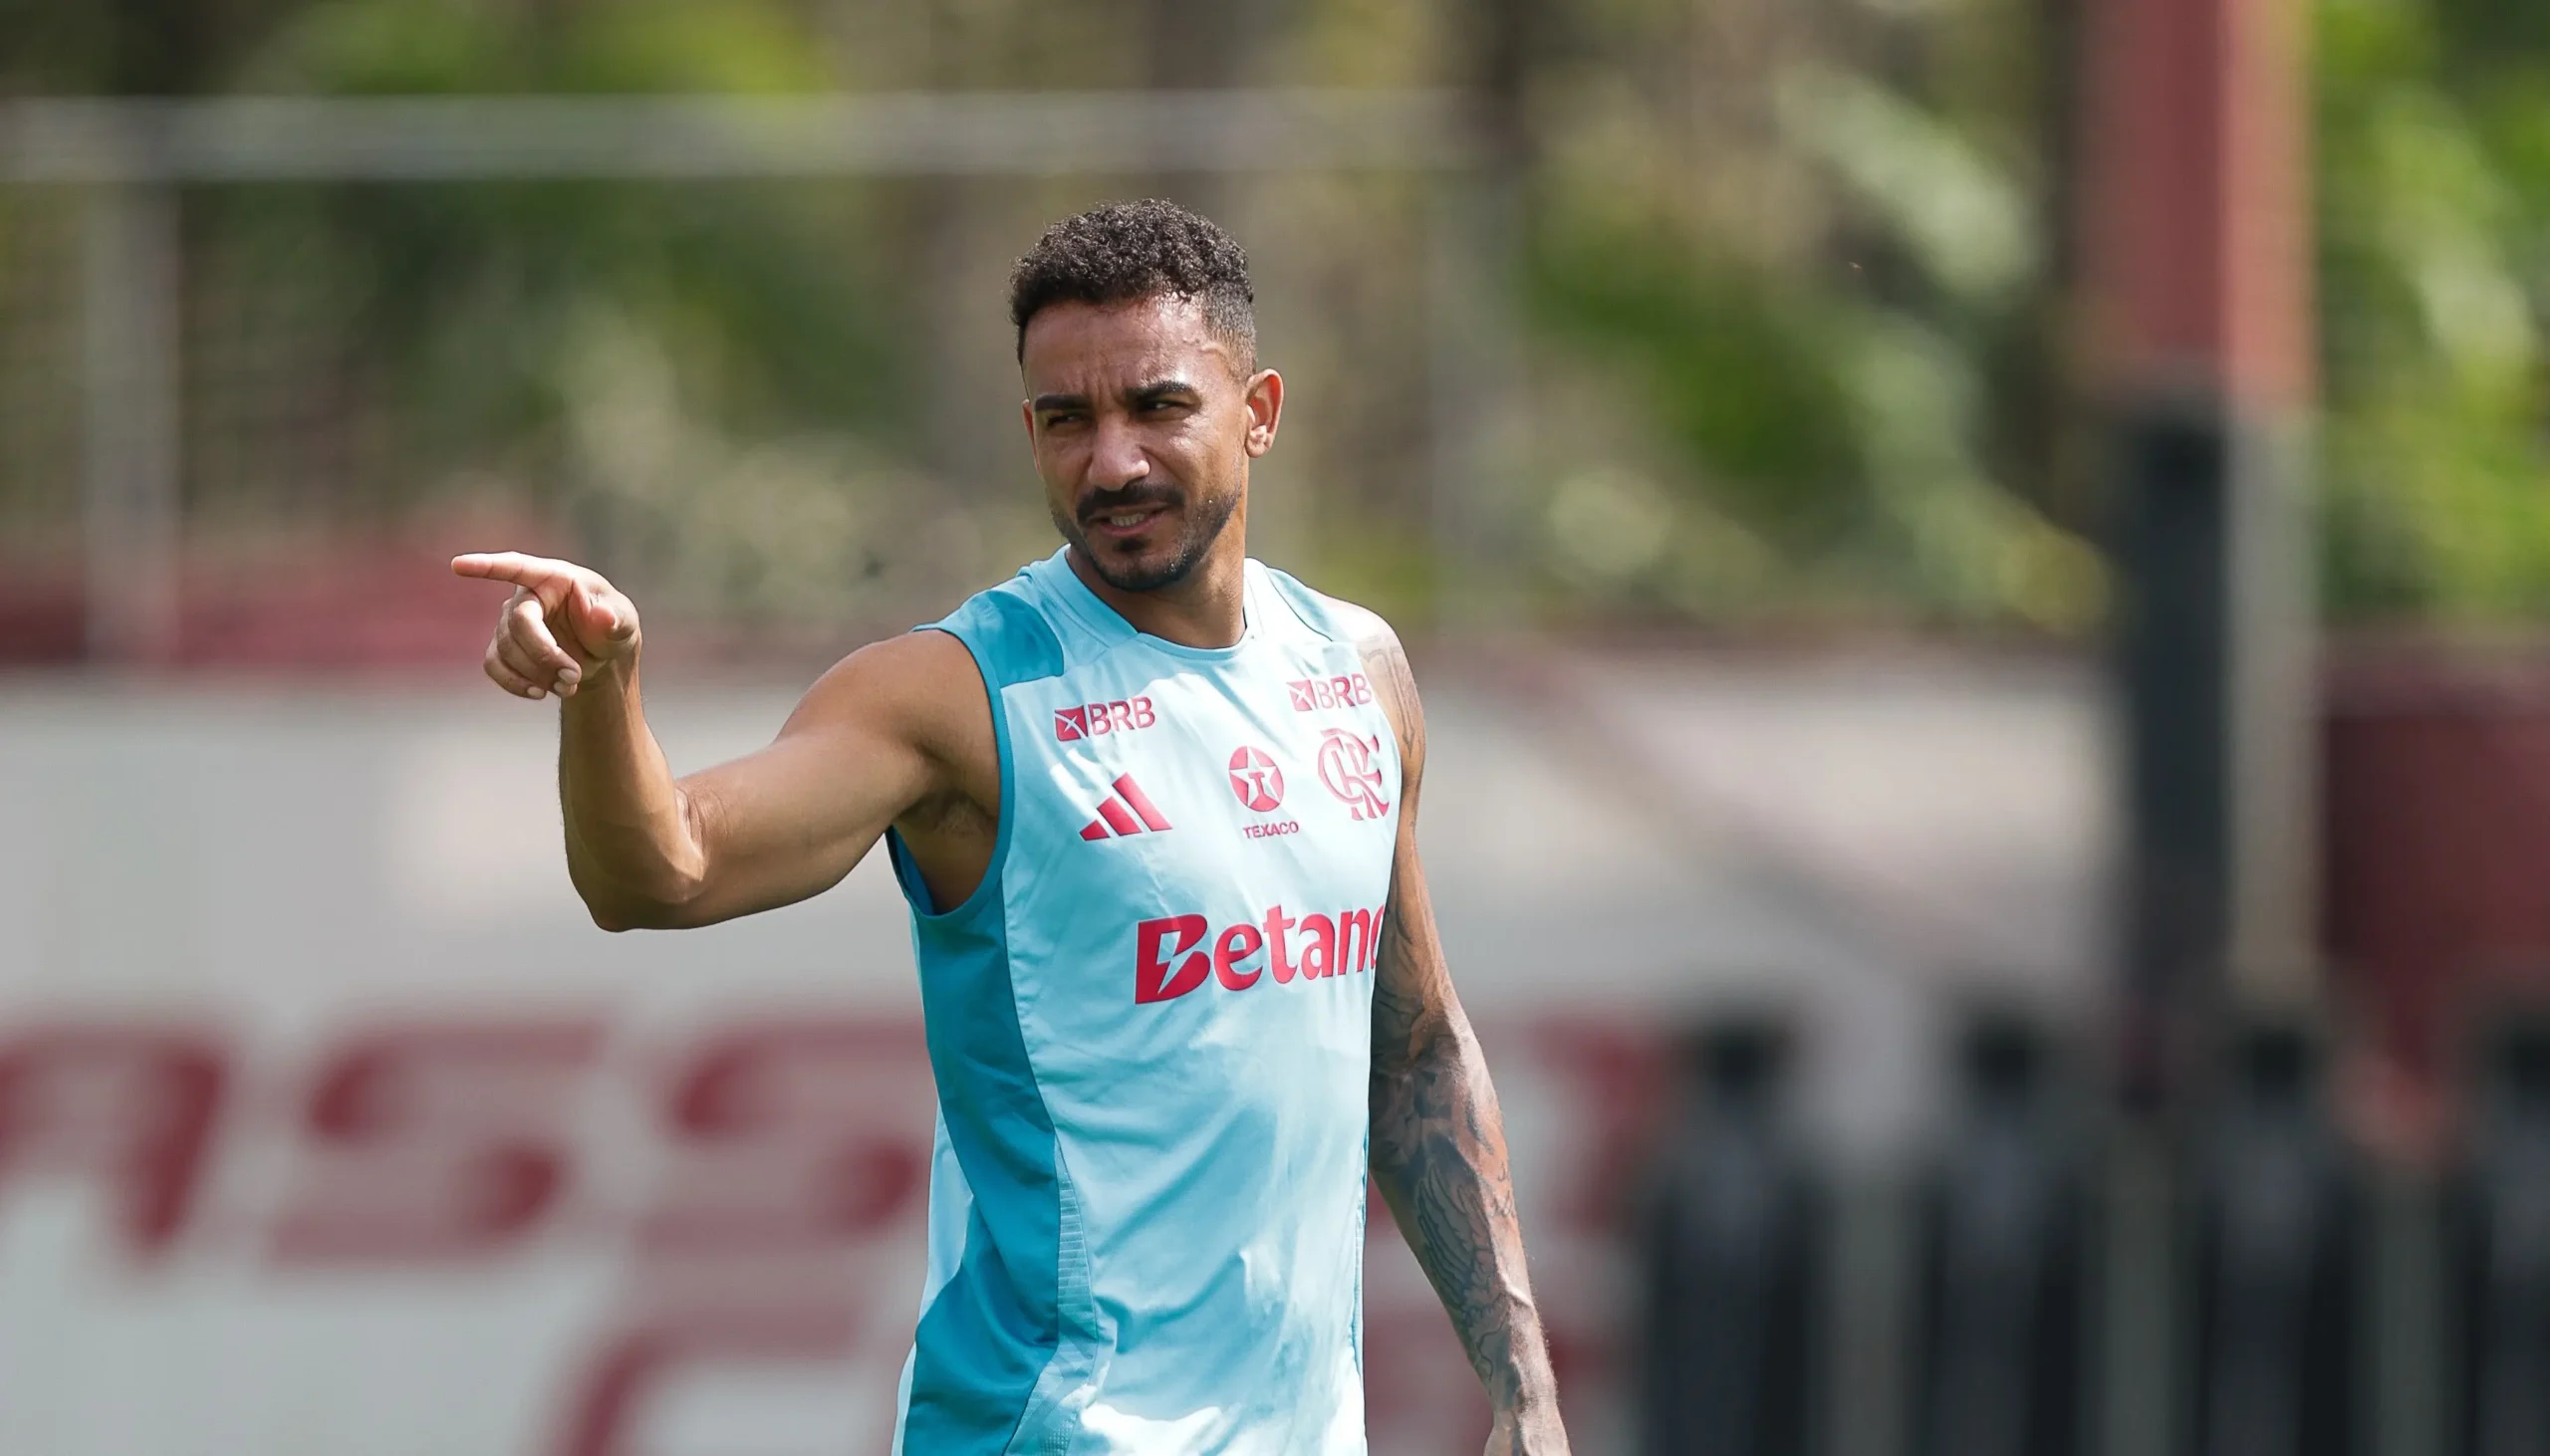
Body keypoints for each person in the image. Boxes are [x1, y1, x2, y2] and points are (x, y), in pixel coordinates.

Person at [453, 199, 1568, 1456]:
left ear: (1257, 412)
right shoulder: (955, 695)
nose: (1112, 462)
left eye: (1156, 407)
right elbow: (661, 871)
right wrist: (604, 689)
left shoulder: (1355, 671)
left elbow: (1412, 1053)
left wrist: (1522, 1388)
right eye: (1066, 420)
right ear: (1029, 432)